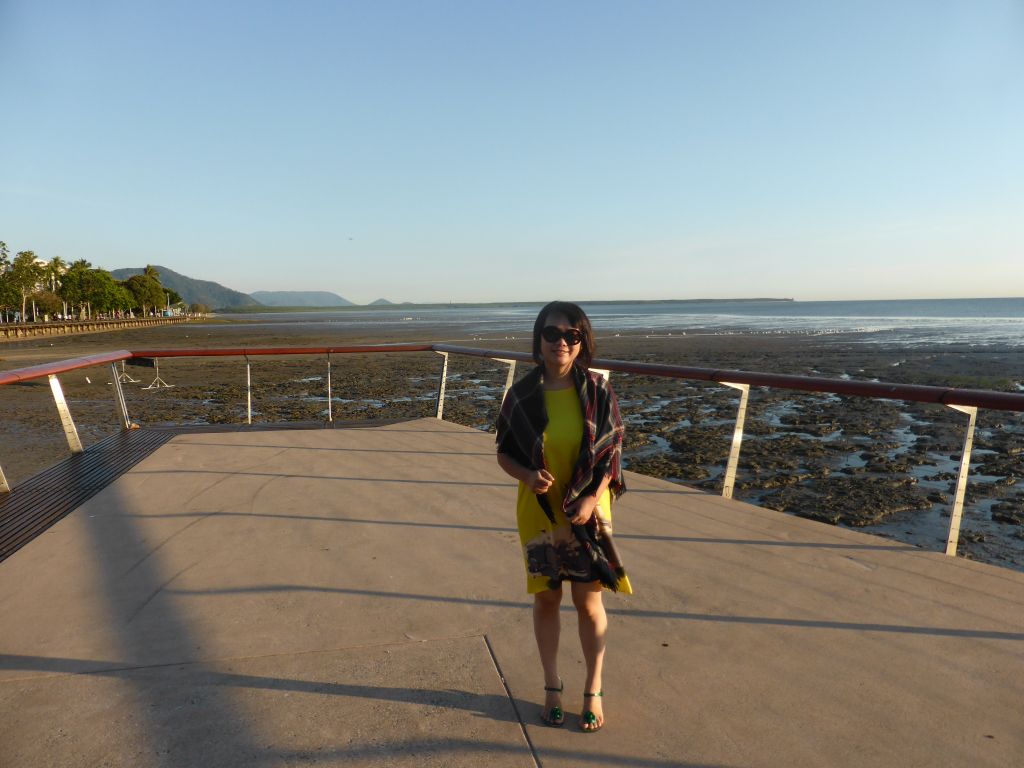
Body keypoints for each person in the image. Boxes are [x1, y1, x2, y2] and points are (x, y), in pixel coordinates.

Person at [496, 300, 632, 733]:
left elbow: (611, 452)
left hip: (588, 513)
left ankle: (593, 688)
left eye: (571, 335)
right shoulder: (521, 395)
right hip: (538, 512)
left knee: (589, 603)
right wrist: (526, 473)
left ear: (582, 342)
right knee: (547, 598)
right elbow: (503, 452)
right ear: (539, 339)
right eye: (552, 334)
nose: (561, 342)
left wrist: (593, 497)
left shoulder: (596, 391)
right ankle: (552, 685)